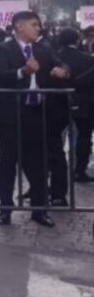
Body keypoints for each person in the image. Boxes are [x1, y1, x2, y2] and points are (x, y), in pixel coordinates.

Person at [0, 11, 67, 227]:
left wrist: (62, 71)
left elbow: (62, 65)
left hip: (37, 114)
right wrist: (23, 71)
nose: (38, 28)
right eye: (34, 24)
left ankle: (39, 210)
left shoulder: (44, 49)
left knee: (39, 164)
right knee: (8, 162)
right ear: (19, 27)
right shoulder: (2, 49)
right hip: (11, 116)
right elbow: (1, 76)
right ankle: (5, 209)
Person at [57, 28, 94, 183]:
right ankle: (80, 170)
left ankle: (56, 171)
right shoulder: (87, 59)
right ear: (77, 40)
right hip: (84, 102)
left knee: (55, 137)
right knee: (84, 137)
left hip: (58, 102)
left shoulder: (54, 56)